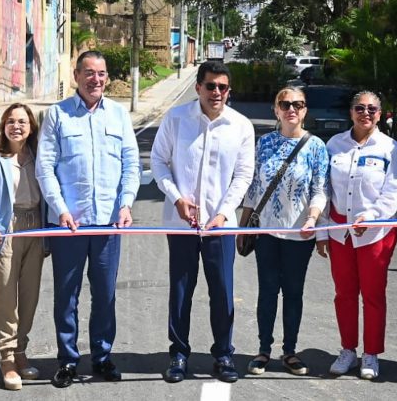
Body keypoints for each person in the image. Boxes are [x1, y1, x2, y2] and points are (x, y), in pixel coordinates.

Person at [36, 50, 140, 388]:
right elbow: (45, 168)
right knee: (66, 294)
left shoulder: (119, 115)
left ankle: (102, 356)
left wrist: (125, 204)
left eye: (102, 73)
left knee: (105, 294)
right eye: (89, 73)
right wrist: (60, 209)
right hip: (70, 224)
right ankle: (67, 359)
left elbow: (131, 164)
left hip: (109, 223)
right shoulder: (57, 115)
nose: (96, 79)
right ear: (77, 75)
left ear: (107, 78)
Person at [150, 60, 255, 384]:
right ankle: (178, 354)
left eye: (223, 87)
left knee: (222, 290)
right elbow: (158, 161)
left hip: (219, 226)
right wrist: (177, 198)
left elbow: (243, 176)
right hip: (181, 224)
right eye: (211, 86)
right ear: (198, 87)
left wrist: (224, 213)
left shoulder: (240, 126)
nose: (217, 92)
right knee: (181, 290)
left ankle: (223, 354)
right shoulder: (177, 119)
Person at [317, 91, 397, 380]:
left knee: (373, 295)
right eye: (359, 108)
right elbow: (323, 189)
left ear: (380, 114)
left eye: (371, 109)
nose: (365, 113)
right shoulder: (335, 144)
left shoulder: (390, 147)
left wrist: (374, 215)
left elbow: (394, 190)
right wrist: (321, 229)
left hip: (375, 233)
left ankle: (371, 354)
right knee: (344, 294)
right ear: (351, 112)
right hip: (340, 231)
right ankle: (347, 350)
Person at [241, 88, 328, 377]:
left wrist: (313, 218)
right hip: (267, 232)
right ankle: (263, 350)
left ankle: (289, 351)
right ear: (276, 109)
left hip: (298, 235)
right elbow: (254, 187)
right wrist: (243, 225)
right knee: (267, 292)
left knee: (293, 293)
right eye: (285, 104)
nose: (292, 109)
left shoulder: (316, 146)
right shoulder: (264, 143)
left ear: (305, 110)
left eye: (298, 105)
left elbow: (320, 189)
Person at [0, 103, 45, 390]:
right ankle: (6, 358)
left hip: (35, 228)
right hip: (5, 230)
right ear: (4, 125)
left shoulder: (39, 155)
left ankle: (20, 351)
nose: (17, 126)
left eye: (23, 122)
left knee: (29, 297)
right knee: (6, 299)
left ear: (31, 127)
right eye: (11, 121)